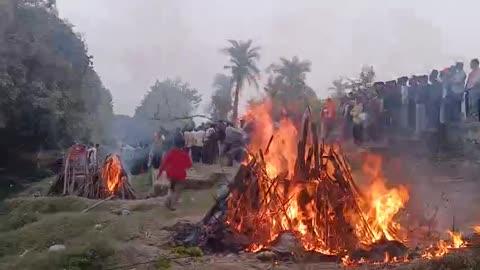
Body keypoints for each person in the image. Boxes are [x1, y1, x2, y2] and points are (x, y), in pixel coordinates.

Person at [157, 135, 192, 211]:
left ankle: (167, 201)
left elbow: (163, 163)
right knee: (177, 191)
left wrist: (159, 173)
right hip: (180, 175)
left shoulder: (170, 153)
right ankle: (172, 205)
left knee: (171, 188)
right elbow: (189, 165)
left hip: (171, 174)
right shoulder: (184, 154)